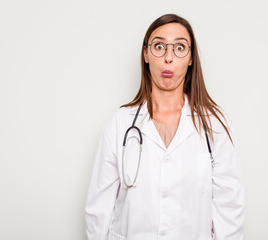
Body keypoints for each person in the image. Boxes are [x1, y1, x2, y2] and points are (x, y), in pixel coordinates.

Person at [85, 13, 245, 240]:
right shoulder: (119, 124)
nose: (168, 57)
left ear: (191, 58)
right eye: (159, 46)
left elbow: (230, 213)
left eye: (179, 48)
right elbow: (98, 212)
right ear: (146, 54)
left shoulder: (215, 126)